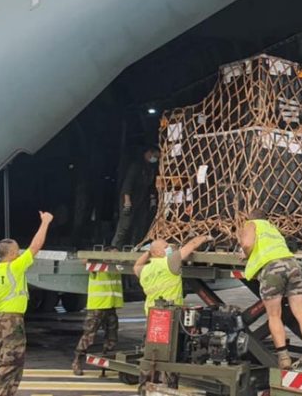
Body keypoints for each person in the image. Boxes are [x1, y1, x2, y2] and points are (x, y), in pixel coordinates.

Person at [238, 209, 302, 370]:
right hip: (292, 265)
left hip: (273, 269)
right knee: (301, 313)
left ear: (251, 218)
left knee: (275, 315)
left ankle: (284, 358)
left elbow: (247, 243)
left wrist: (246, 254)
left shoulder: (251, 224)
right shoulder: (272, 228)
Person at [0, 211, 54, 396]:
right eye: (18, 250)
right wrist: (45, 222)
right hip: (11, 322)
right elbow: (35, 246)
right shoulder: (15, 267)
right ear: (13, 253)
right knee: (10, 366)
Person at [133, 235, 209, 392]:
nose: (169, 248)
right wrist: (205, 237)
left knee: (151, 354)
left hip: (153, 319)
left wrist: (148, 253)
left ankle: (144, 388)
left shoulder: (145, 270)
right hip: (171, 319)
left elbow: (136, 265)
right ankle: (170, 388)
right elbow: (192, 245)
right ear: (159, 252)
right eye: (166, 246)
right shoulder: (169, 262)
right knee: (172, 356)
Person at [72, 247, 124, 376]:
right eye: (113, 255)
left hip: (111, 307)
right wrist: (96, 256)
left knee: (112, 337)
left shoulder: (117, 268)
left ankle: (106, 364)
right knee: (88, 336)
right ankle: (77, 360)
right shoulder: (97, 267)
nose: (115, 258)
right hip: (97, 307)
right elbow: (84, 260)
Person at [111, 145, 160, 249]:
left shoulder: (151, 169)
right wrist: (127, 202)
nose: (154, 158)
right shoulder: (136, 167)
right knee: (125, 224)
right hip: (129, 199)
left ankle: (135, 246)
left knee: (140, 224)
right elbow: (127, 185)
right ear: (147, 153)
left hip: (142, 200)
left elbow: (151, 187)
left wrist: (152, 200)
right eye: (153, 155)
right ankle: (115, 246)